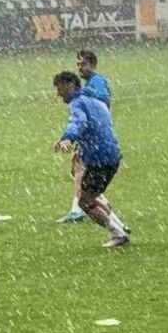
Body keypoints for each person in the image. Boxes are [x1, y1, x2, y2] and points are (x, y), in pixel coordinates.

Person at [54, 71, 131, 247]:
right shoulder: (95, 100)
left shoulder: (77, 103)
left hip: (99, 158)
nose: (59, 94)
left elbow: (79, 122)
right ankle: (121, 228)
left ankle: (119, 234)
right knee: (92, 195)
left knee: (85, 201)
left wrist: (68, 138)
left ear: (71, 85)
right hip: (111, 154)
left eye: (60, 89)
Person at [59, 49, 113, 224]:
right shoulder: (90, 83)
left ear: (93, 64)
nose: (80, 68)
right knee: (76, 168)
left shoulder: (96, 81)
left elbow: (103, 99)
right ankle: (100, 201)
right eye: (78, 65)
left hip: (94, 134)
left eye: (83, 64)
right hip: (90, 134)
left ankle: (78, 210)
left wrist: (86, 95)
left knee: (81, 170)